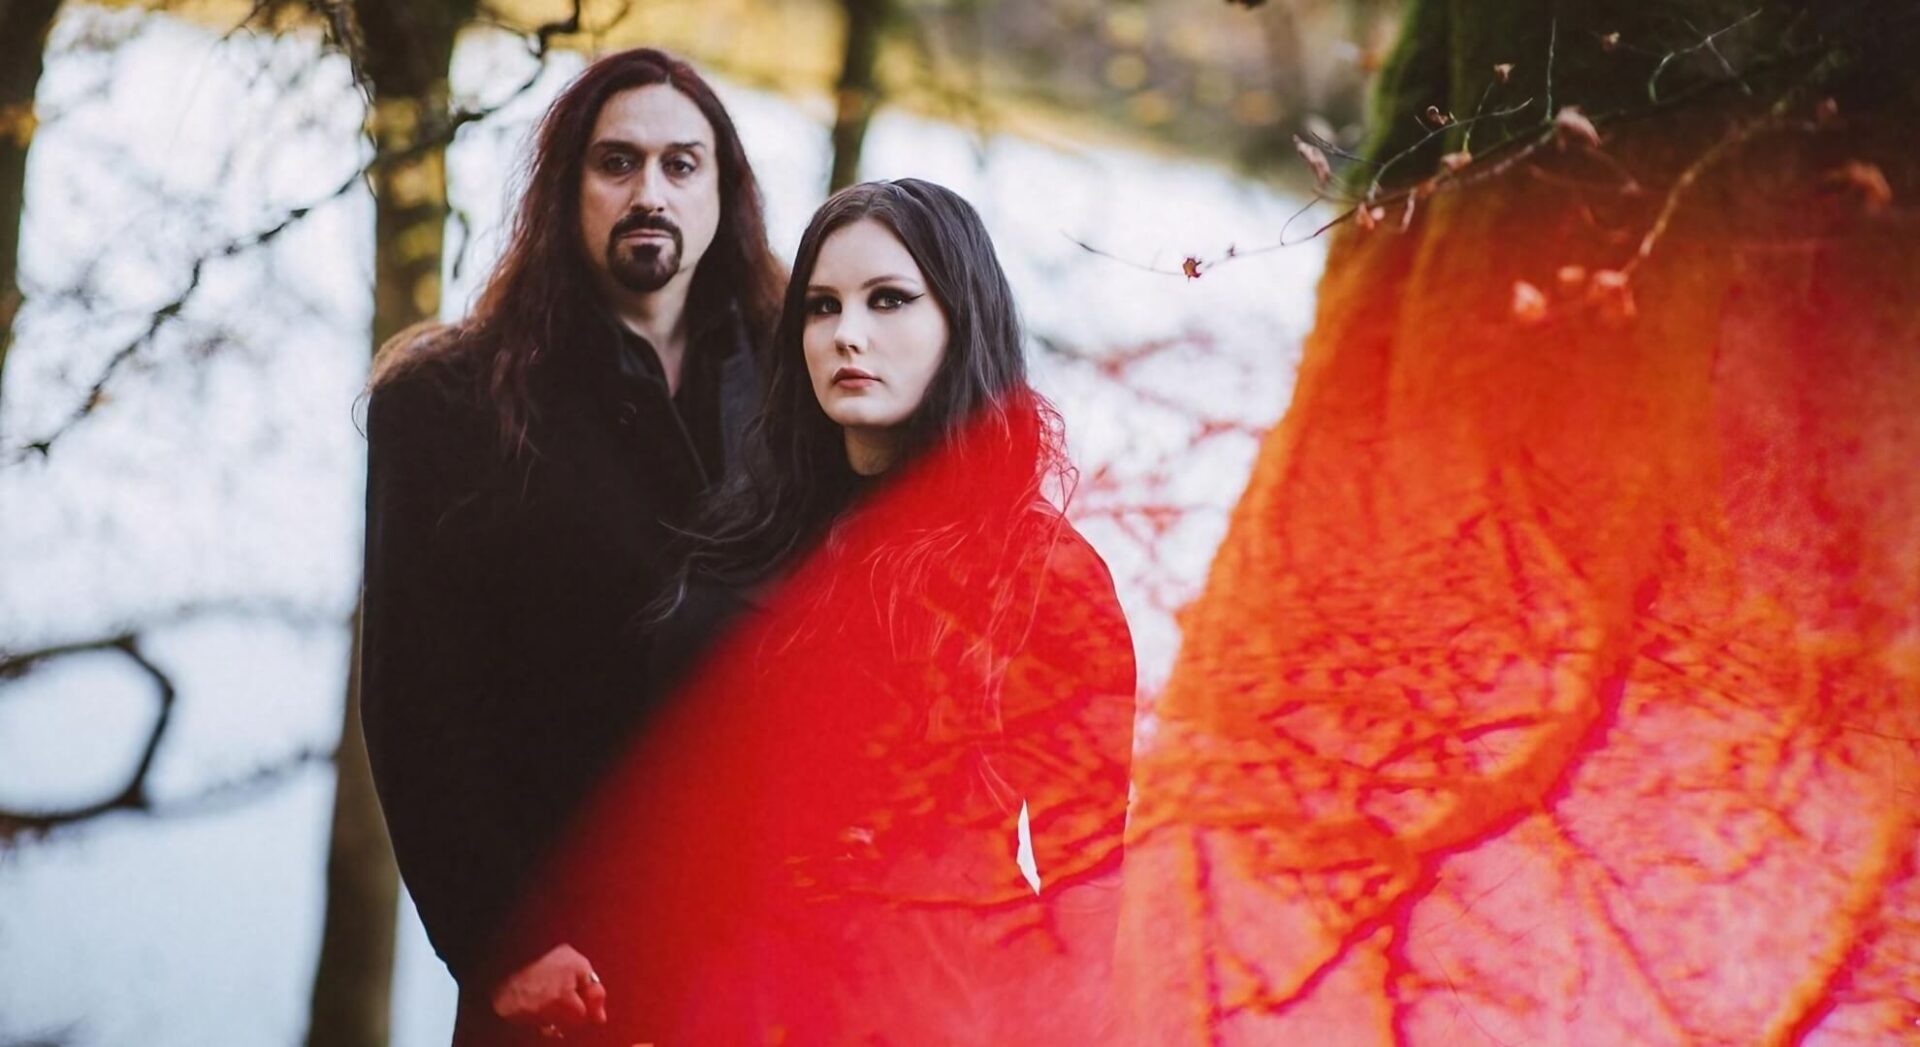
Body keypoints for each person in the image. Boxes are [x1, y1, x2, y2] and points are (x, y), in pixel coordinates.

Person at [539, 178, 1137, 1043]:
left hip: (906, 1004)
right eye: (821, 307)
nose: (847, 333)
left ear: (959, 320)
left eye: (888, 299)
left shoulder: (1043, 571)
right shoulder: (761, 520)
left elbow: (1085, 884)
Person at [358, 48, 782, 1044]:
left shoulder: (795, 392)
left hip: (760, 966)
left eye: (684, 165)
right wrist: (506, 943)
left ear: (725, 192)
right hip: (564, 977)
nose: (651, 192)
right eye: (618, 162)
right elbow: (416, 702)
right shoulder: (448, 405)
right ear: (565, 189)